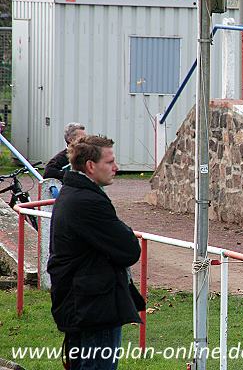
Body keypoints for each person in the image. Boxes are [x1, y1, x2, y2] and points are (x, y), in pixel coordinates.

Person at [47, 135, 144, 370]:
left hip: (83, 303)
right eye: (109, 162)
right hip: (93, 308)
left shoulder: (74, 193)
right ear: (90, 166)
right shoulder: (86, 201)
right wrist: (125, 233)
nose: (116, 167)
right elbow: (129, 249)